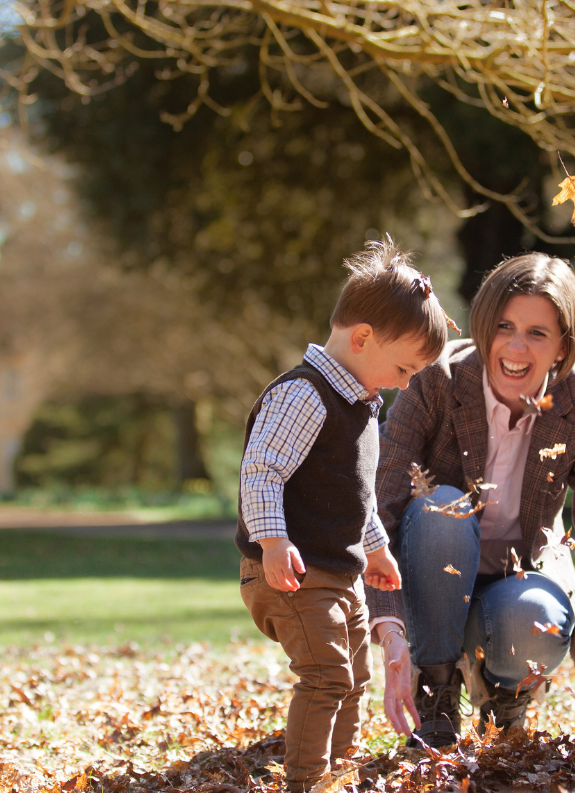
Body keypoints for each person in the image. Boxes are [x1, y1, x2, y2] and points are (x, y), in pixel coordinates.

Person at [367, 253, 575, 748]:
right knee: (444, 506)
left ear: (564, 344)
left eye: (538, 333)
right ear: (483, 326)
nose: (516, 347)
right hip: (431, 572)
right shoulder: (435, 378)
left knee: (534, 616)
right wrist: (388, 624)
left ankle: (505, 697)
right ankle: (435, 686)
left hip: (520, 578)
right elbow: (382, 501)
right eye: (504, 326)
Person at [234, 239, 450, 793]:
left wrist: (376, 548)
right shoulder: (305, 395)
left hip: (336, 574)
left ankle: (339, 770)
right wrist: (273, 541)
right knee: (326, 676)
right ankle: (307, 782)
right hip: (291, 572)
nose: (405, 383)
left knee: (353, 678)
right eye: (403, 367)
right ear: (361, 338)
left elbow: (355, 498)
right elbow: (262, 471)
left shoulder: (358, 407)